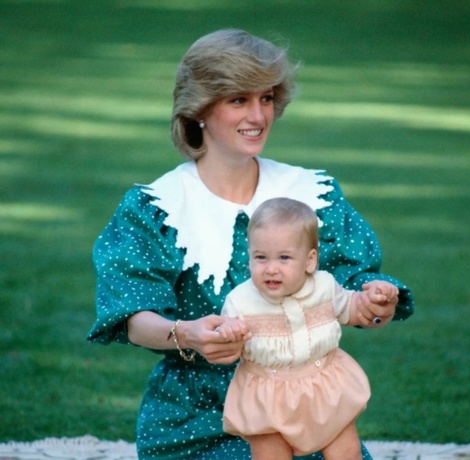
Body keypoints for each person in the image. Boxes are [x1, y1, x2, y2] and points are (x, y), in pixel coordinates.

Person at [87, 29, 414, 460]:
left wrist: (375, 303)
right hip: (197, 416)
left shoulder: (311, 195)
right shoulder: (157, 208)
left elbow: (356, 287)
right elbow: (132, 315)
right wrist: (187, 334)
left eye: (266, 98)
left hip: (304, 412)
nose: (258, 115)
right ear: (199, 110)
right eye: (239, 100)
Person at [218, 197, 399, 460]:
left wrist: (372, 299)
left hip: (324, 386)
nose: (271, 268)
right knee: (270, 454)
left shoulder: (324, 287)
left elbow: (352, 309)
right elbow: (226, 347)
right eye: (260, 257)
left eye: (284, 258)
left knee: (346, 452)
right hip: (266, 394)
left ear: (309, 261)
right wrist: (228, 334)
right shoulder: (240, 302)